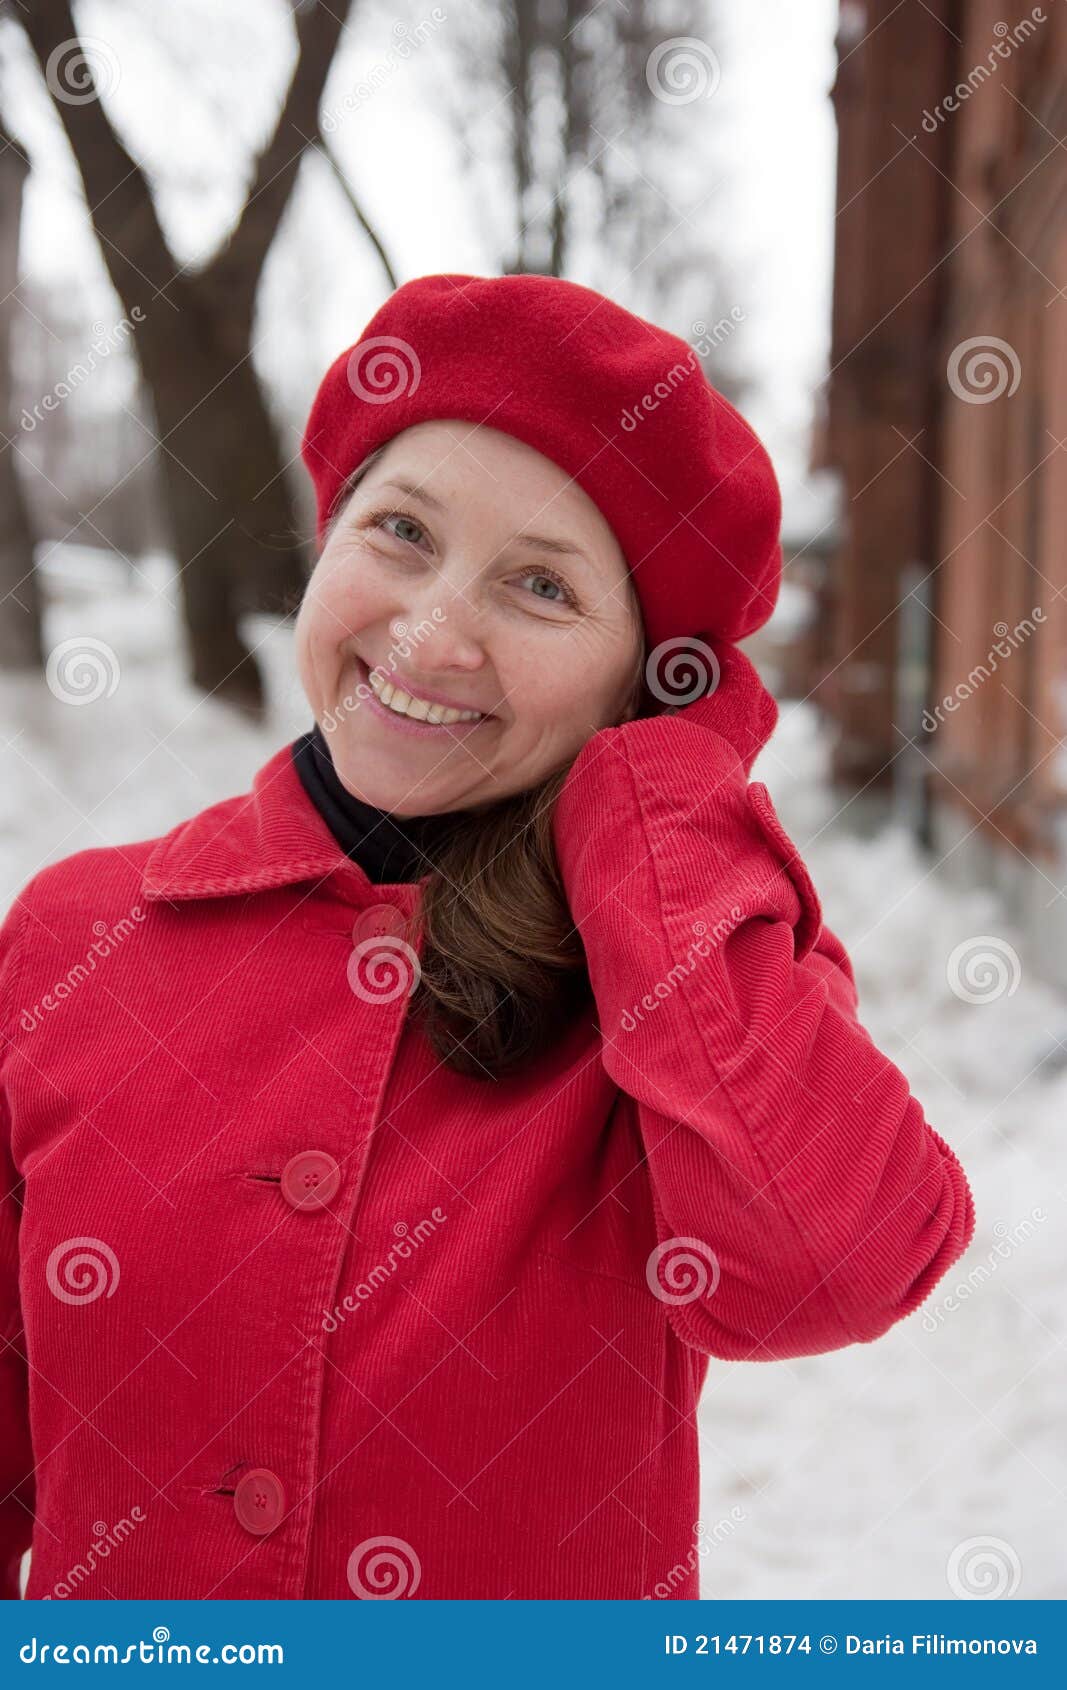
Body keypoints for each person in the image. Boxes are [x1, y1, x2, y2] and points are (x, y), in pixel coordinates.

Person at [0, 272, 975, 1602]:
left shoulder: (683, 987)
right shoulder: (75, 937)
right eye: (400, 530)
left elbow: (829, 1264)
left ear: (639, 686)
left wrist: (662, 802)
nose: (434, 629)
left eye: (541, 588)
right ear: (326, 537)